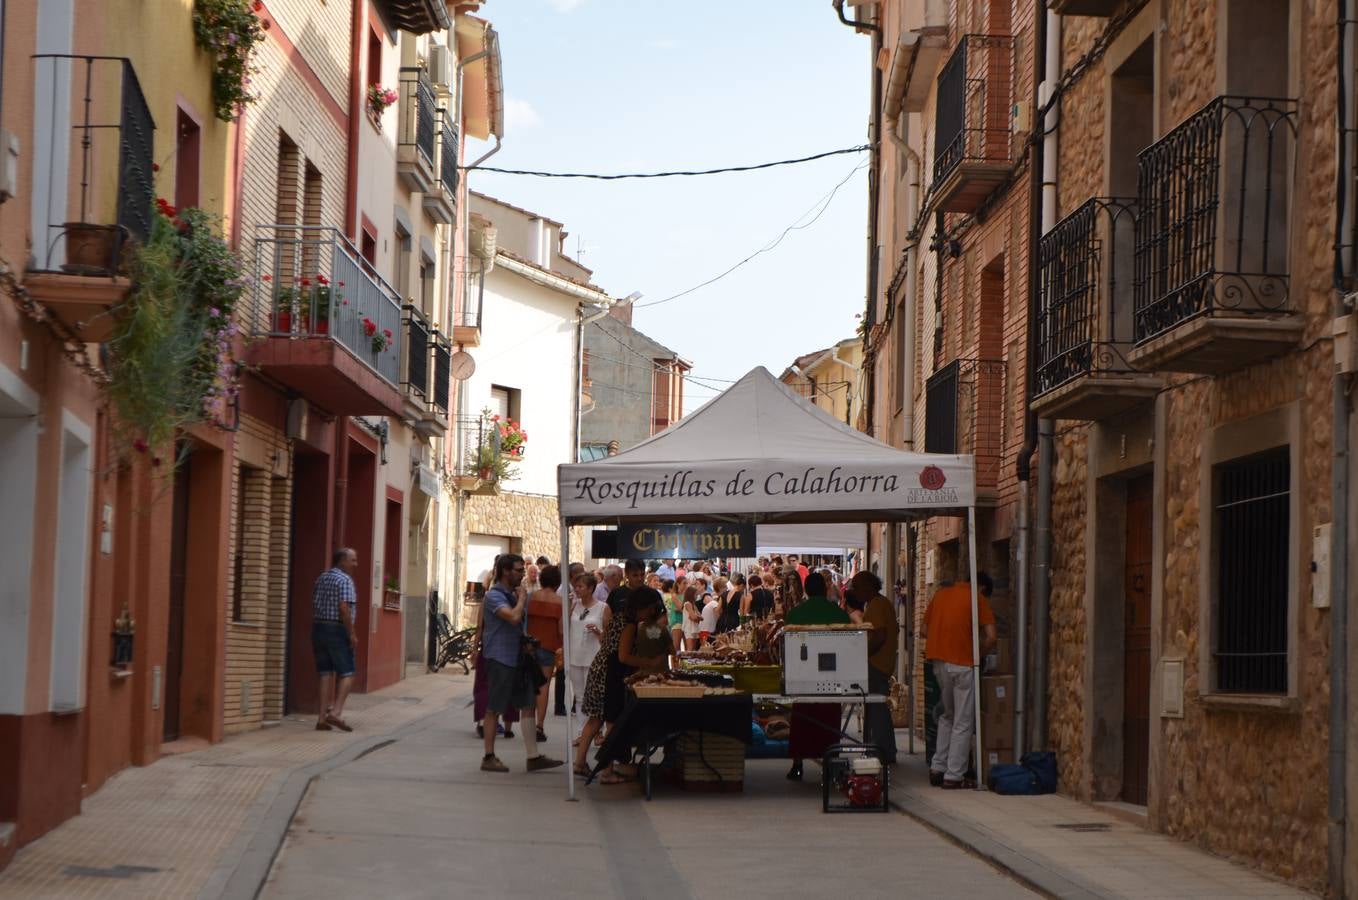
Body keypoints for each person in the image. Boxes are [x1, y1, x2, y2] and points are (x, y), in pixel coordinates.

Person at [478, 553, 563, 773]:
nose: (522, 575)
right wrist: (524, 599)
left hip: (518, 658)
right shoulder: (494, 596)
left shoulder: (513, 594)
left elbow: (519, 625)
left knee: (528, 704)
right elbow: (513, 617)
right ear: (505, 571)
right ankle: (488, 756)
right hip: (500, 658)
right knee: (494, 708)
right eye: (518, 570)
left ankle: (533, 756)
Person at [923, 570, 997, 789]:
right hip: (963, 663)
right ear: (982, 588)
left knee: (947, 715)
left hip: (938, 661)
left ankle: (938, 767)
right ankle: (954, 775)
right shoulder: (978, 598)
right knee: (963, 721)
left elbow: (924, 630)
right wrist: (979, 654)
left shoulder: (940, 595)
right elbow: (992, 636)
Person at [574, 558, 646, 779]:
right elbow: (623, 654)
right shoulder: (627, 624)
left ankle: (581, 764)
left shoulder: (619, 620)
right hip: (610, 670)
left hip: (602, 666)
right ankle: (607, 771)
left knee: (596, 719)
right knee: (610, 720)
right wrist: (648, 664)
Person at [783, 571, 851, 780]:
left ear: (806, 590)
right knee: (829, 720)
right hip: (832, 676)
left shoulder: (795, 614)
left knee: (802, 720)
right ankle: (831, 760)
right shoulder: (839, 614)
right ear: (824, 588)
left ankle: (797, 764)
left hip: (802, 676)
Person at [852, 571, 899, 764]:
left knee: (877, 709)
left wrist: (862, 655)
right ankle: (884, 749)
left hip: (876, 664)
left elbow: (879, 636)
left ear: (868, 587)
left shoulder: (877, 605)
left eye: (857, 587)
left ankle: (879, 751)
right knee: (877, 709)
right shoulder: (876, 604)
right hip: (879, 663)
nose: (854, 592)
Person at [312, 548, 359, 733]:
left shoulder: (321, 578)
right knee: (347, 672)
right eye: (353, 560)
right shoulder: (345, 580)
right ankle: (337, 713)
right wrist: (351, 634)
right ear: (342, 562)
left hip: (318, 628)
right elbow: (344, 608)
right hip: (337, 629)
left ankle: (321, 718)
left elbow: (314, 602)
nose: (356, 564)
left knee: (325, 673)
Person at [567, 572, 608, 742]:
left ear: (591, 588)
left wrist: (598, 632)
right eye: (576, 586)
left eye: (580, 586)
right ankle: (581, 732)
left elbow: (609, 635)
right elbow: (562, 627)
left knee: (596, 696)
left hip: (594, 656)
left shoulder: (603, 607)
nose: (577, 590)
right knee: (579, 695)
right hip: (575, 654)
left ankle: (598, 732)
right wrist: (569, 607)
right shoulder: (574, 605)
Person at [526, 565, 565, 742]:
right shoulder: (560, 602)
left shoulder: (531, 597)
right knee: (544, 687)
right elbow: (561, 630)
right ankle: (539, 726)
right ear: (557, 582)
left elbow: (524, 623)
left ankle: (528, 722)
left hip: (530, 647)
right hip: (550, 647)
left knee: (529, 685)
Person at [661, 578, 684, 656]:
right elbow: (679, 608)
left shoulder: (664, 596)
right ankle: (676, 665)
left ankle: (675, 665)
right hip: (676, 620)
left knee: (674, 646)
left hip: (671, 621)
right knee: (675, 647)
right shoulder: (672, 596)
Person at [681, 583, 703, 650]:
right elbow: (694, 617)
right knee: (690, 648)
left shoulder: (694, 605)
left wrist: (696, 617)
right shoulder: (687, 604)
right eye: (695, 594)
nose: (697, 596)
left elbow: (700, 617)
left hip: (695, 628)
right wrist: (696, 617)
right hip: (689, 628)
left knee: (694, 648)